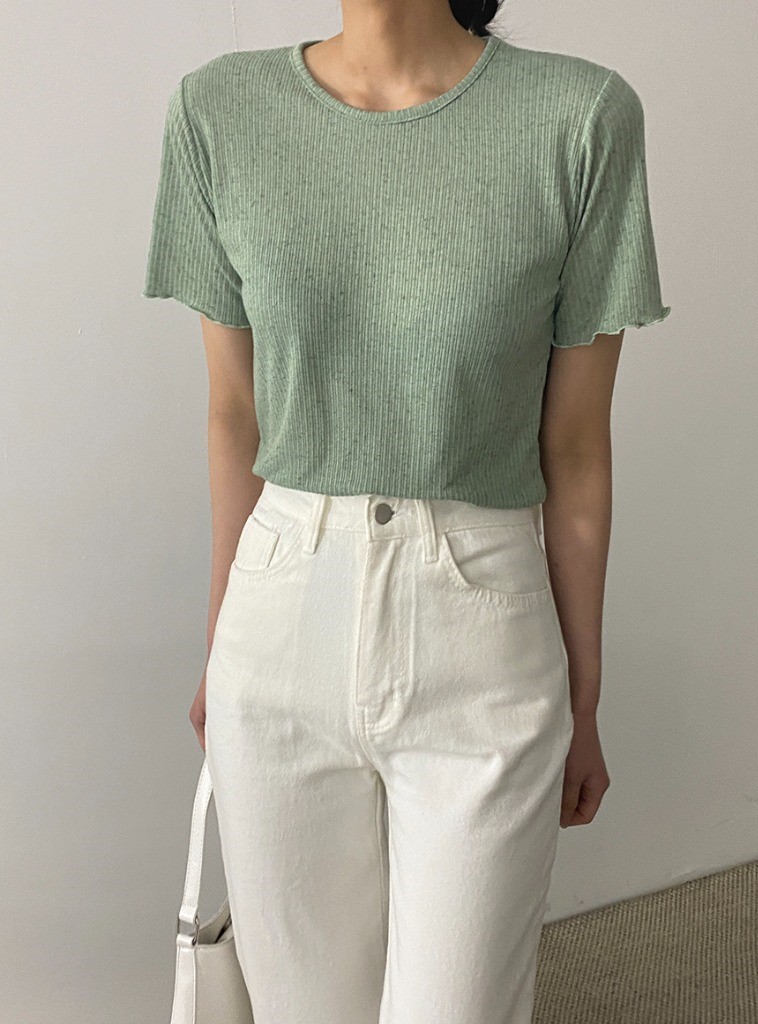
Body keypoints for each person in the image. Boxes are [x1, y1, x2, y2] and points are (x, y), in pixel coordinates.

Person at [142, 2, 671, 1022]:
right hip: (278, 614)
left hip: (483, 622)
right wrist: (222, 647)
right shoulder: (218, 112)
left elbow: (572, 447)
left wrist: (583, 696)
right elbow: (234, 415)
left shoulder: (579, 118)